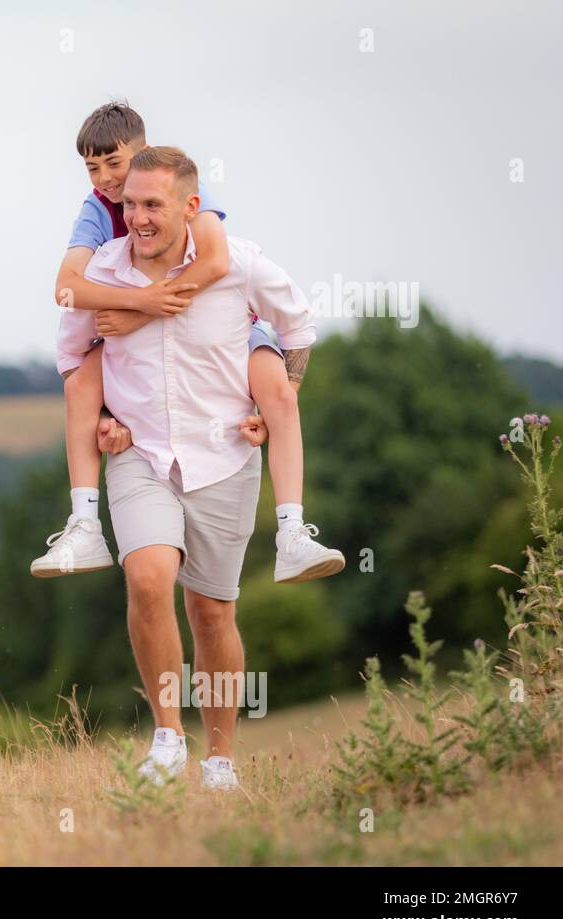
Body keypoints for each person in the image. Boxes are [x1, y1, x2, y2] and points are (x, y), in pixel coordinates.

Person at [57, 146, 327, 792]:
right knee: (149, 579)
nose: (140, 218)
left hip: (225, 458)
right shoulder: (103, 270)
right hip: (140, 454)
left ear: (191, 207)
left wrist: (279, 397)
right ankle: (169, 735)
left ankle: (221, 759)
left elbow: (300, 326)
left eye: (153, 205)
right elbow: (72, 354)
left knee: (212, 613)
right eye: (130, 206)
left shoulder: (239, 265)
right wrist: (96, 421)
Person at [34, 101, 343, 585]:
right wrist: (143, 303)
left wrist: (144, 308)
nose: (107, 180)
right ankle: (84, 522)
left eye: (115, 163)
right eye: (92, 168)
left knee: (278, 390)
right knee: (81, 385)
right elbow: (66, 288)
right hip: (138, 325)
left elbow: (216, 261)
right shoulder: (97, 209)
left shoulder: (181, 187)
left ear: (143, 153)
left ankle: (293, 532)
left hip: (237, 325)